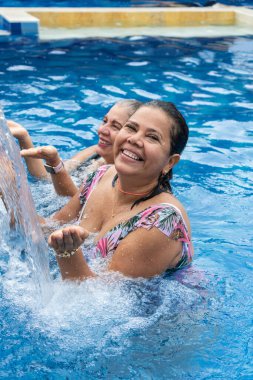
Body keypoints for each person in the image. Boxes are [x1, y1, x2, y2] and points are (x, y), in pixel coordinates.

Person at [48, 100, 193, 281]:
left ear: (170, 163)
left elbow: (98, 302)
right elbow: (48, 228)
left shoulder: (161, 223)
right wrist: (10, 189)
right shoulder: (101, 176)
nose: (134, 139)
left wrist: (67, 253)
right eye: (131, 128)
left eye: (152, 137)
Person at [8, 99, 142, 196]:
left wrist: (55, 163)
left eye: (115, 126)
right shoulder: (95, 152)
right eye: (105, 121)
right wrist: (24, 137)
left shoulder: (122, 177)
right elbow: (46, 179)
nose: (102, 130)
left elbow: (75, 203)